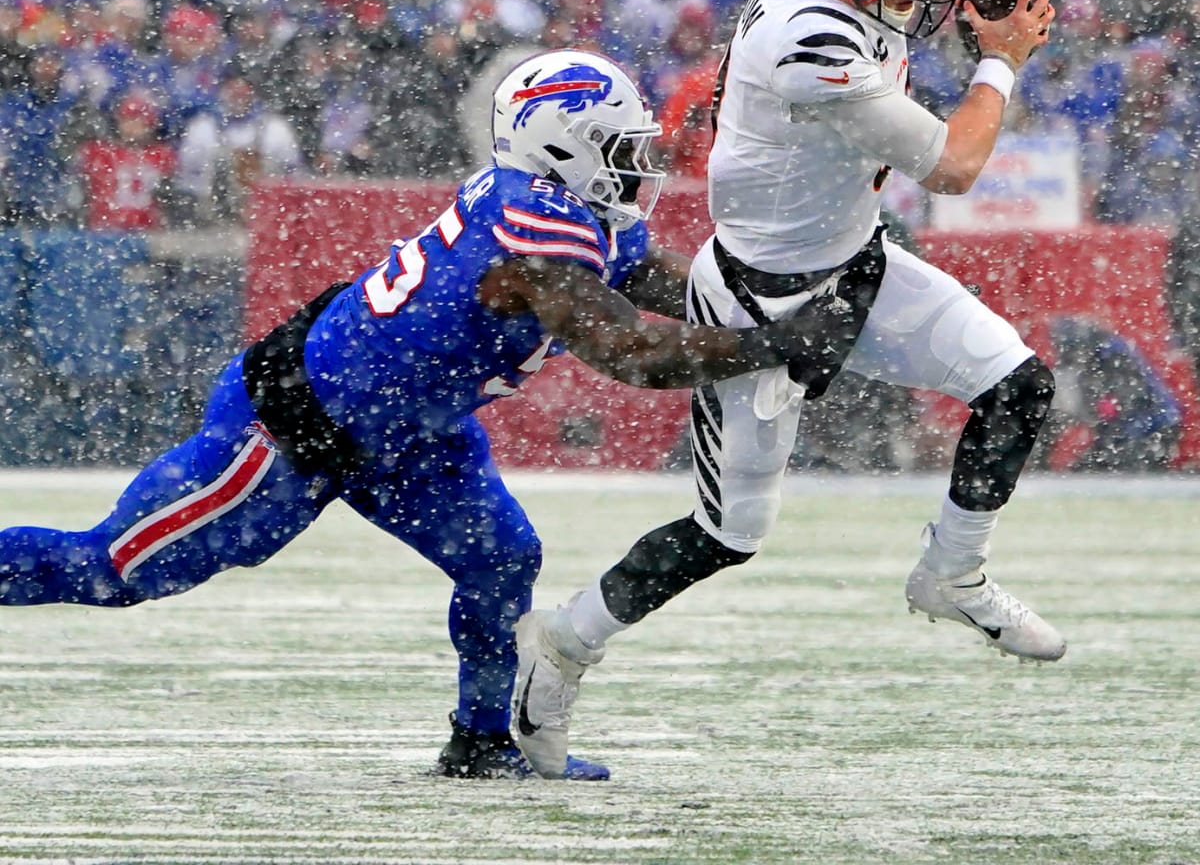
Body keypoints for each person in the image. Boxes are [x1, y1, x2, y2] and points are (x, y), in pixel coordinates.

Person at [0, 49, 883, 781]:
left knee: (503, 557)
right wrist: (784, 342)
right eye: (619, 146)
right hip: (299, 428)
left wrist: (763, 303)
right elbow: (634, 354)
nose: (638, 165)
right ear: (563, 146)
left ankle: (482, 741)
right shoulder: (533, 230)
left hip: (410, 426)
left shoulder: (573, 211)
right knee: (113, 571)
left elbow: (670, 288)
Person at [513, 0, 1064, 780]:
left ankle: (951, 573)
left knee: (1018, 385)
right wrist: (1000, 62)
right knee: (727, 535)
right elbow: (959, 166)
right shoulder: (807, 48)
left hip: (858, 265)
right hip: (760, 304)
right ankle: (564, 643)